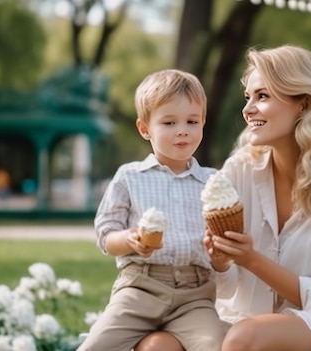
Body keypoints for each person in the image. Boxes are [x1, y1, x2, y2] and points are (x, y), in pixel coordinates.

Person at [135, 45, 311, 351]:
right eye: (248, 97)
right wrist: (221, 262)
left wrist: (252, 260)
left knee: (245, 337)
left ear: (304, 104)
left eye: (262, 96)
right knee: (156, 345)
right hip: (236, 321)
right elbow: (223, 290)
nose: (248, 109)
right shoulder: (238, 171)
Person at [77, 69, 224, 351]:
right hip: (140, 287)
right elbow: (106, 233)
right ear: (145, 129)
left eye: (192, 121)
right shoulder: (130, 177)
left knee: (215, 345)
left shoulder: (212, 183)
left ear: (203, 123)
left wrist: (221, 256)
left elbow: (220, 252)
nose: (182, 130)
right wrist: (129, 239)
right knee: (95, 346)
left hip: (195, 296)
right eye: (169, 122)